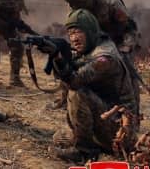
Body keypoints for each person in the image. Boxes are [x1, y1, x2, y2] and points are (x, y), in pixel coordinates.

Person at [51, 9, 138, 164]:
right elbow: (65, 75)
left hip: (121, 131)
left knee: (76, 92)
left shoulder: (105, 57)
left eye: (78, 32)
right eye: (70, 33)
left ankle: (84, 152)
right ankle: (93, 143)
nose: (74, 38)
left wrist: (58, 58)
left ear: (90, 31)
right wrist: (59, 59)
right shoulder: (91, 45)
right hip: (107, 118)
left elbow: (74, 82)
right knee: (59, 137)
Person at [58, 0, 141, 110]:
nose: (81, 6)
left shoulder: (111, 3)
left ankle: (133, 111)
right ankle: (65, 100)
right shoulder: (75, 8)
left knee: (128, 73)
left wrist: (125, 48)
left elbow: (130, 29)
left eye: (82, 3)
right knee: (71, 63)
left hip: (118, 41)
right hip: (93, 42)